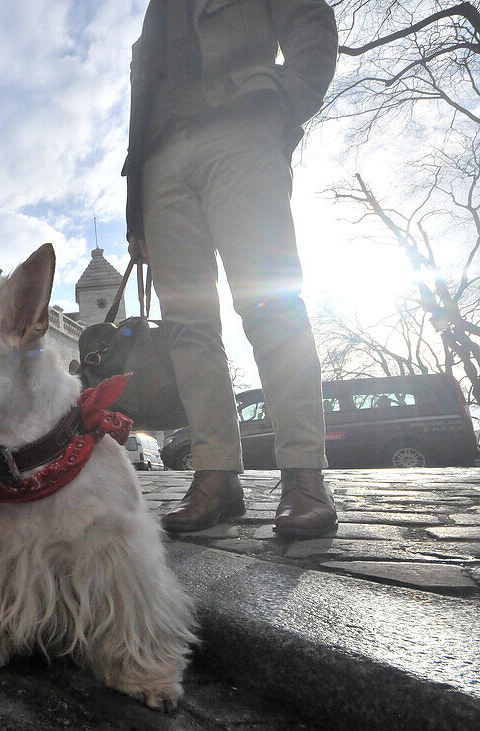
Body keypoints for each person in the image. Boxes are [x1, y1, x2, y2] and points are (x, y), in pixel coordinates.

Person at [122, 0, 339, 538]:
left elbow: (309, 19)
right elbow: (142, 95)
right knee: (187, 326)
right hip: (160, 159)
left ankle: (304, 477)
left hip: (243, 124)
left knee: (272, 304)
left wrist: (287, 100)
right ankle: (216, 476)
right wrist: (137, 211)